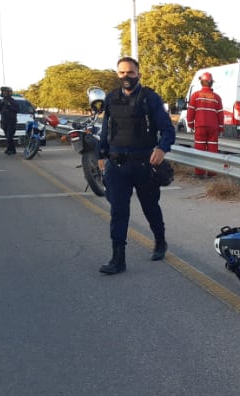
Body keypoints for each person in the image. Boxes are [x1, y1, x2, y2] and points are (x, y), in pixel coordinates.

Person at [96, 56, 176, 275]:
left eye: (130, 72)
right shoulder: (111, 98)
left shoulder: (150, 98)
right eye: (122, 72)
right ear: (117, 74)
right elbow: (106, 129)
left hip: (144, 164)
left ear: (138, 74)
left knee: (151, 208)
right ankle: (117, 259)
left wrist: (162, 149)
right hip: (116, 165)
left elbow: (168, 129)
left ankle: (160, 241)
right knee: (118, 212)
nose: (126, 76)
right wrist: (101, 153)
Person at [186, 71, 222, 178]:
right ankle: (212, 172)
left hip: (200, 127)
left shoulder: (195, 96)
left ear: (201, 82)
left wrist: (191, 124)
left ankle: (200, 173)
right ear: (211, 83)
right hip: (213, 127)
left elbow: (190, 112)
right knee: (212, 149)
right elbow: (220, 114)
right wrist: (220, 128)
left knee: (200, 149)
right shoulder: (216, 97)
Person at [0, 86, 19, 155]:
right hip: (4, 121)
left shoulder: (13, 101)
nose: (3, 93)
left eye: (5, 92)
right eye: (3, 92)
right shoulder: (1, 101)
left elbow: (17, 110)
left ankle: (10, 149)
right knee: (7, 136)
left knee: (10, 136)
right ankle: (11, 149)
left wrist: (9, 105)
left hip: (11, 121)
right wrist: (1, 103)